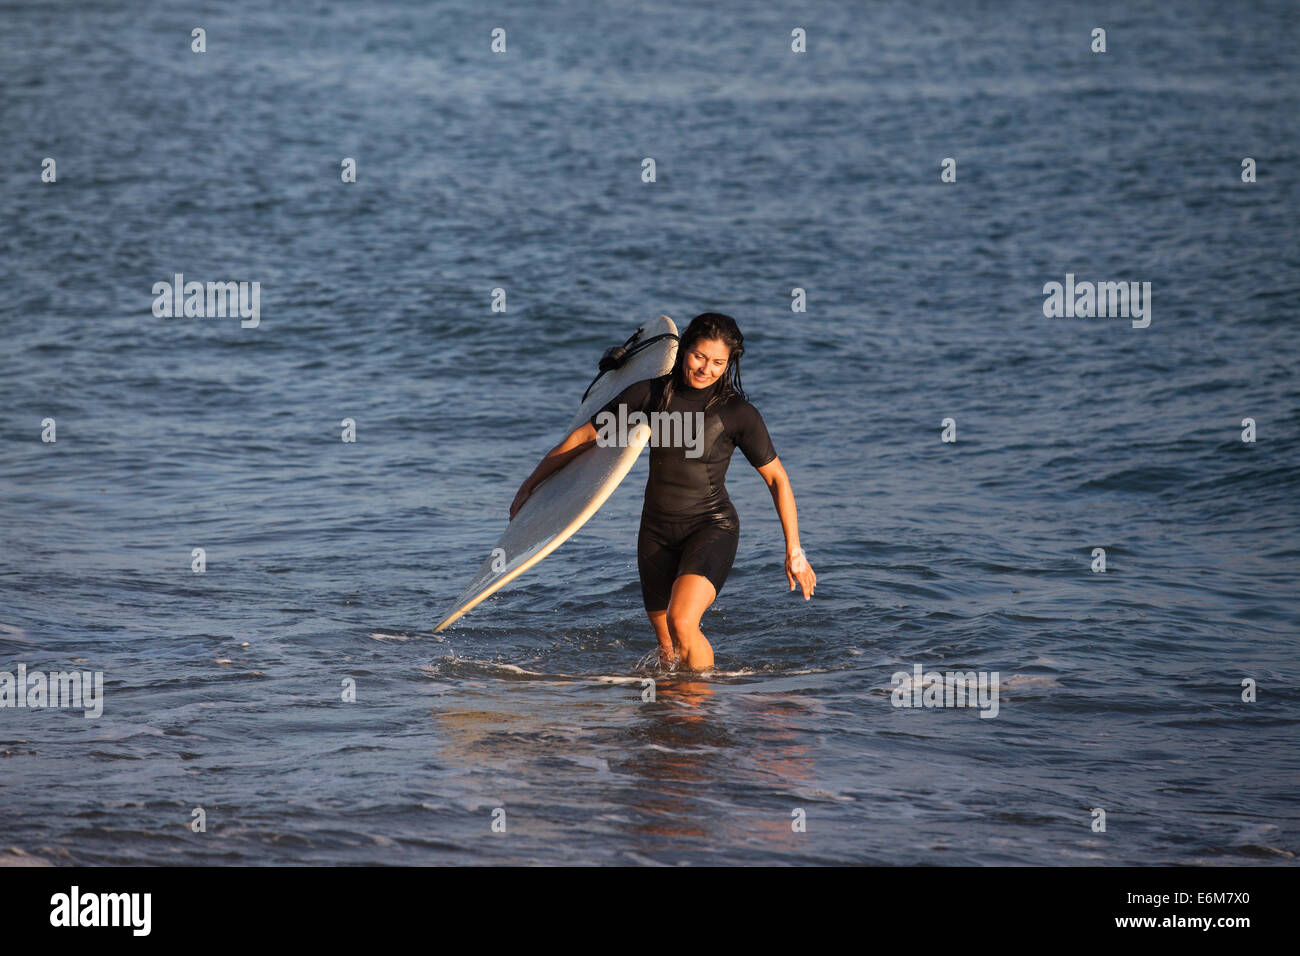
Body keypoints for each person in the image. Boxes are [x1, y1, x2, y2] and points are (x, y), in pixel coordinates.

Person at [510, 313, 816, 671]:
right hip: (655, 532)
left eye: (719, 362)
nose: (707, 369)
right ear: (684, 349)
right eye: (699, 356)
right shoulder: (652, 395)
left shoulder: (737, 414)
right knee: (667, 648)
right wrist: (531, 485)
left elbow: (777, 478)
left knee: (682, 621)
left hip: (711, 527)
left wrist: (794, 550)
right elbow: (585, 437)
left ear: (730, 363)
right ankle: (673, 715)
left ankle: (700, 708)